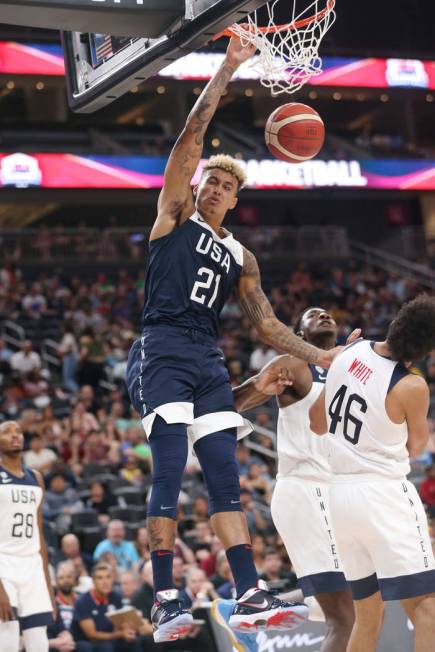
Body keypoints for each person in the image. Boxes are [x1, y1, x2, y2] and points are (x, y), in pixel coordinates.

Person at [125, 31, 336, 643]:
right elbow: (190, 140)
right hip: (161, 345)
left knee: (224, 473)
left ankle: (247, 593)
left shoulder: (241, 255)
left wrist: (320, 353)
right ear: (195, 186)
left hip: (206, 355)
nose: (213, 187)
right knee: (168, 467)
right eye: (208, 180)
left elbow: (267, 324)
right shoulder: (173, 215)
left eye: (225, 185)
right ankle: (167, 596)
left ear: (236, 198)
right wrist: (229, 66)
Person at [309, 294, 435, 652]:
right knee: (427, 608)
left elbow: (317, 423)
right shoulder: (412, 385)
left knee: (368, 615)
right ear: (426, 348)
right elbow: (415, 449)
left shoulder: (349, 351)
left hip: (340, 497)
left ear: (396, 322)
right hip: (383, 495)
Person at [233, 307, 356, 652]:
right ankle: (249, 610)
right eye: (312, 314)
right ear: (299, 335)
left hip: (335, 492)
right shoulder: (294, 364)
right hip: (306, 487)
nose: (324, 315)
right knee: (344, 617)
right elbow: (234, 401)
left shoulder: (348, 368)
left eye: (329, 312)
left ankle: (249, 612)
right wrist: (260, 385)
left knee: (357, 595)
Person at [0, 420, 55, 652]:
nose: (15, 436)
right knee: (8, 641)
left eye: (19, 431)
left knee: (39, 643)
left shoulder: (36, 477)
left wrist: (48, 586)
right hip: (4, 562)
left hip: (32, 566)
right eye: (7, 432)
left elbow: (39, 533)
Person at [72, 562, 141, 652]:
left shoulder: (116, 597)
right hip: (87, 642)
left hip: (110, 638)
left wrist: (128, 630)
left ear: (112, 579)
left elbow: (120, 623)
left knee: (134, 641)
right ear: (93, 581)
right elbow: (91, 635)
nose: (105, 582)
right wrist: (120, 634)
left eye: (108, 577)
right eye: (100, 578)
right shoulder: (82, 602)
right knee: (105, 646)